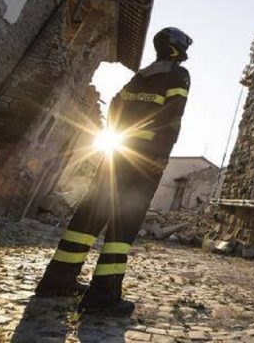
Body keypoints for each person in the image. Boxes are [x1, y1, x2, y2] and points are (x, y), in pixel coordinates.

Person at [35, 27, 192, 316]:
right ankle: (102, 296)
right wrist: (158, 154)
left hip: (117, 153)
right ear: (177, 49)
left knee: (89, 215)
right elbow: (172, 115)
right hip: (145, 160)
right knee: (124, 223)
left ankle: (56, 280)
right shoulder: (178, 76)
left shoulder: (141, 75)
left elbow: (116, 106)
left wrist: (117, 138)